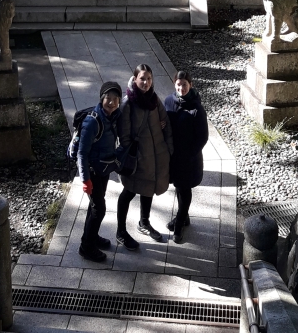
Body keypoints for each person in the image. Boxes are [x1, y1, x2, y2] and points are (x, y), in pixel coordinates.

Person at [116, 64, 173, 249]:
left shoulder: (154, 99)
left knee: (149, 187)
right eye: (142, 78)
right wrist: (137, 156)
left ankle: (144, 222)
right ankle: (120, 231)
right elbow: (124, 136)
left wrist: (168, 149)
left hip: (155, 156)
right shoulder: (128, 103)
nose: (146, 82)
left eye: (149, 78)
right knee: (129, 192)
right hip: (137, 159)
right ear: (135, 79)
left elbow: (165, 122)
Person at [77, 81, 123, 262]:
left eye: (115, 99)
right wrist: (85, 180)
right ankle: (86, 247)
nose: (111, 102)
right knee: (99, 209)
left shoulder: (114, 116)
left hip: (103, 169)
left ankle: (91, 237)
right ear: (101, 99)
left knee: (95, 206)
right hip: (92, 172)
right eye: (108, 98)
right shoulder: (92, 121)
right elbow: (82, 153)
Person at [164, 70, 209, 243]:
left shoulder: (197, 109)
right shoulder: (169, 101)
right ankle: (184, 217)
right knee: (179, 186)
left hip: (189, 158)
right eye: (178, 84)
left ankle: (179, 223)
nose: (181, 88)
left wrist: (189, 155)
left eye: (184, 84)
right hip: (173, 156)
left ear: (190, 85)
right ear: (174, 84)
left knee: (184, 188)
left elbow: (202, 137)